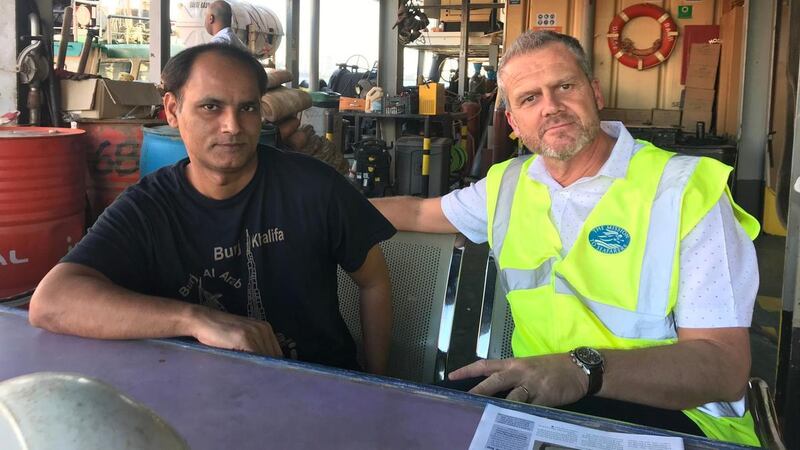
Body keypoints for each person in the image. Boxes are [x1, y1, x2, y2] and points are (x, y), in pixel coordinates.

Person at [371, 31, 760, 445]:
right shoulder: (507, 184)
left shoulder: (684, 189)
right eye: (529, 98)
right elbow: (416, 212)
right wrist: (324, 202)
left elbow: (723, 366)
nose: (551, 107)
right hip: (539, 399)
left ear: (595, 92)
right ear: (514, 122)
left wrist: (581, 370)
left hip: (673, 418)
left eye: (565, 87)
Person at [29, 43, 395, 375]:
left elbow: (374, 281)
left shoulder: (315, 187)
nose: (232, 126)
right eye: (210, 107)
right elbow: (51, 301)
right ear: (172, 110)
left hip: (323, 390)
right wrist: (196, 319)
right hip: (199, 394)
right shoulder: (148, 209)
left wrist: (381, 386)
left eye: (247, 108)